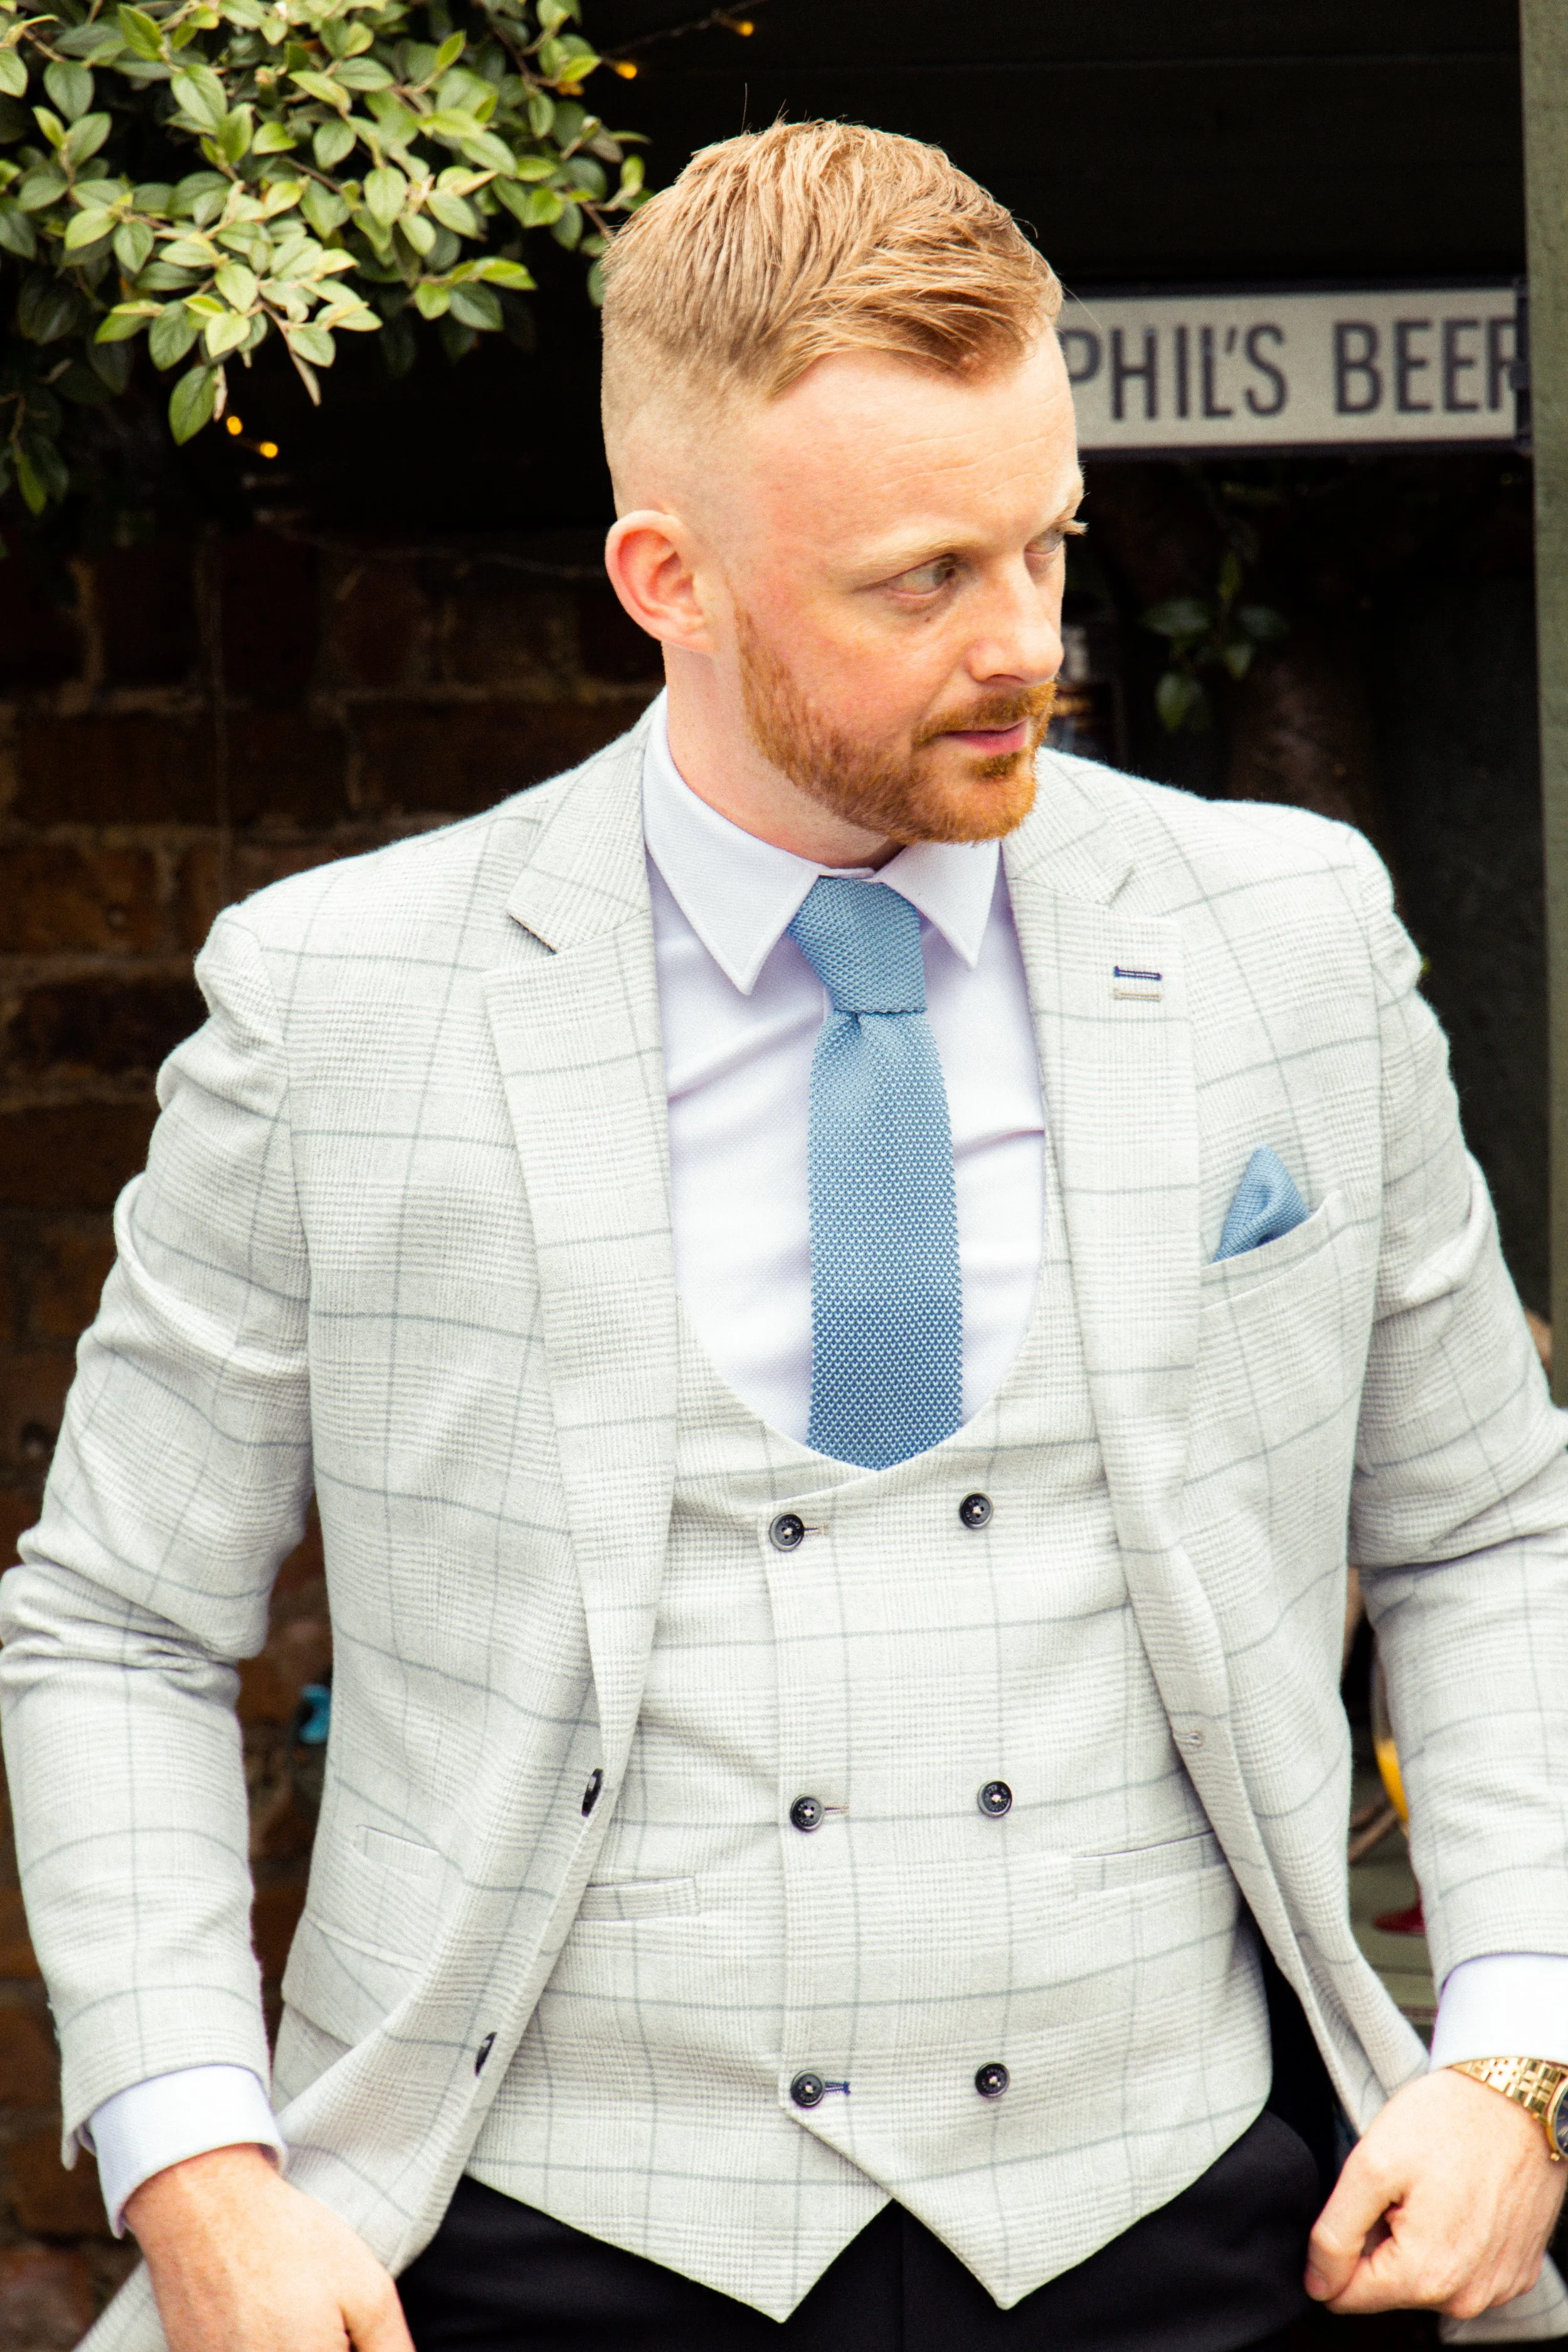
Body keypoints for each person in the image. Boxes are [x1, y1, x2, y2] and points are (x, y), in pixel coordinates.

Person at [4, 119, 1568, 2352]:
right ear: (671, 578)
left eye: (1046, 545)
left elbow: (1489, 1529)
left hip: (1210, 2232)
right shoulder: (342, 1001)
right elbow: (121, 1621)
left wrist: (1513, 2047)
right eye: (920, 580)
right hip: (527, 2253)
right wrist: (196, 2167)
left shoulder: (1285, 938)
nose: (1023, 639)